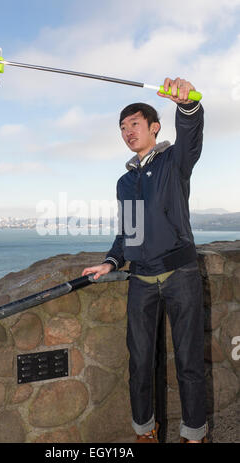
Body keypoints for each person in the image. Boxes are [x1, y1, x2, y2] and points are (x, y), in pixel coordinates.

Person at [82, 77, 208, 443]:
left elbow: (192, 136)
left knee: (188, 363)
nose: (127, 132)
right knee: (139, 364)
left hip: (180, 273)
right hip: (140, 279)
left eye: (134, 124)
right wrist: (110, 261)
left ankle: (194, 435)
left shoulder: (174, 161)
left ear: (154, 127)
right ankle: (145, 432)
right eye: (122, 128)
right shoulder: (124, 182)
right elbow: (129, 233)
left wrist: (187, 106)